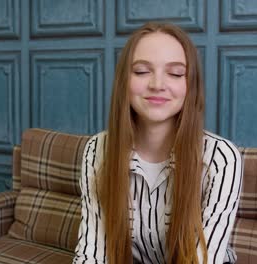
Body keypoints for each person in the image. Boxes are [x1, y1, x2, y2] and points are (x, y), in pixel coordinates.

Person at [73, 22, 242, 264]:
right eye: (142, 71)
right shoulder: (97, 150)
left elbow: (202, 260)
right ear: (124, 82)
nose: (157, 84)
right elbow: (93, 253)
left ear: (190, 85)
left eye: (175, 73)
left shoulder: (222, 158)